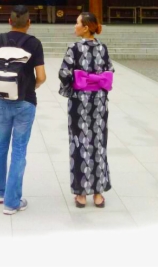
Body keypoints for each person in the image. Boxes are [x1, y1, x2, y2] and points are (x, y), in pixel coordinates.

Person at [0, 5, 46, 215]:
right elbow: (42, 76)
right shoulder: (34, 44)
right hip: (25, 102)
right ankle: (12, 202)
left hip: (1, 101)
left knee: (0, 145)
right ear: (29, 23)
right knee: (19, 149)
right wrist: (33, 86)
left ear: (9, 21)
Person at [58, 12, 113, 208]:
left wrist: (74, 85)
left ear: (86, 27)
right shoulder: (103, 48)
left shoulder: (74, 48)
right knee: (98, 142)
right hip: (99, 100)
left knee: (79, 142)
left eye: (77, 23)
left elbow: (64, 74)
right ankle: (98, 192)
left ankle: (81, 192)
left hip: (79, 101)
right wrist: (96, 81)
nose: (75, 26)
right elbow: (110, 72)